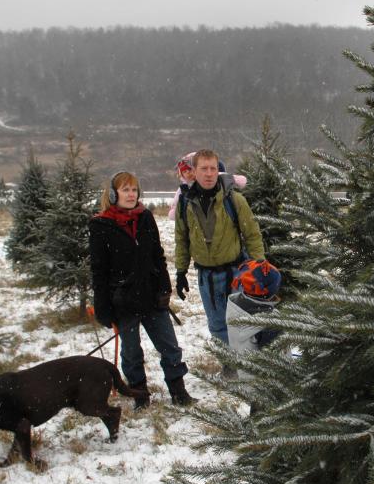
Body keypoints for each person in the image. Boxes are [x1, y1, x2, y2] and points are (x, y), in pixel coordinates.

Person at [89, 171, 194, 409]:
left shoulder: (145, 217)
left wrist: (164, 287)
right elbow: (99, 270)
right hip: (123, 301)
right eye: (125, 190)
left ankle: (178, 391)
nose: (131, 194)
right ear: (114, 194)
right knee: (132, 353)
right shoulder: (100, 225)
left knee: (169, 346)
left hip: (151, 297)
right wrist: (103, 306)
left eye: (134, 190)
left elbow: (157, 255)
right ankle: (140, 396)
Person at [174, 149, 265, 355]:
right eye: (203, 168)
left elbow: (252, 234)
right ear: (194, 171)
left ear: (218, 171)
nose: (208, 173)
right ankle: (230, 365)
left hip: (236, 273)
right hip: (206, 276)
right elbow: (181, 238)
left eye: (213, 168)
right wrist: (180, 272)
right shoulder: (185, 203)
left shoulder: (233, 200)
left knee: (242, 322)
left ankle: (249, 365)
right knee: (217, 325)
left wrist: (259, 267)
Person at [227, 259, 283, 382]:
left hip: (246, 376)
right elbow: (277, 364)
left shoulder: (235, 306)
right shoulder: (270, 324)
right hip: (267, 387)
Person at [168, 152, 247, 221]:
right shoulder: (184, 188)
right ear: (181, 175)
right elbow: (176, 203)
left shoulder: (211, 178)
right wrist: (175, 211)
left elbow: (223, 176)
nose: (188, 173)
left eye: (190, 169)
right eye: (184, 171)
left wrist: (237, 180)